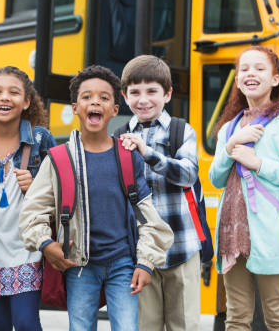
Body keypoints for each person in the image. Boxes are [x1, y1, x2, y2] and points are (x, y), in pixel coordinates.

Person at [20, 65, 173, 331]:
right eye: (87, 96)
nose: (95, 102)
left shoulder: (127, 157)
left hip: (123, 263)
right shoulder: (59, 159)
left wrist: (146, 263)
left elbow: (148, 216)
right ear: (75, 107)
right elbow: (33, 211)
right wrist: (46, 243)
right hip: (79, 264)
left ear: (115, 110)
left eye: (104, 98)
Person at [209, 46, 279, 330]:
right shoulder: (230, 128)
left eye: (259, 68)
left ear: (275, 79)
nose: (250, 73)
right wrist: (231, 147)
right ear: (238, 80)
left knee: (277, 317)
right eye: (244, 69)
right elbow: (216, 179)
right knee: (236, 318)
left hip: (270, 235)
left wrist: (257, 162)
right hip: (231, 234)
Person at [112, 55, 202, 331]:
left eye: (152, 91)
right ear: (125, 96)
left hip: (181, 247)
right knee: (144, 325)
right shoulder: (118, 135)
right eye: (135, 92)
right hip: (140, 253)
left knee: (183, 325)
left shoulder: (180, 130)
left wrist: (146, 152)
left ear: (167, 94)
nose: (143, 99)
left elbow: (188, 175)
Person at [0, 66, 56, 331]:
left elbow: (62, 189)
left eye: (14, 93)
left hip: (27, 249)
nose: (5, 97)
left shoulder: (40, 139)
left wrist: (36, 186)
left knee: (27, 323)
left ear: (26, 102)